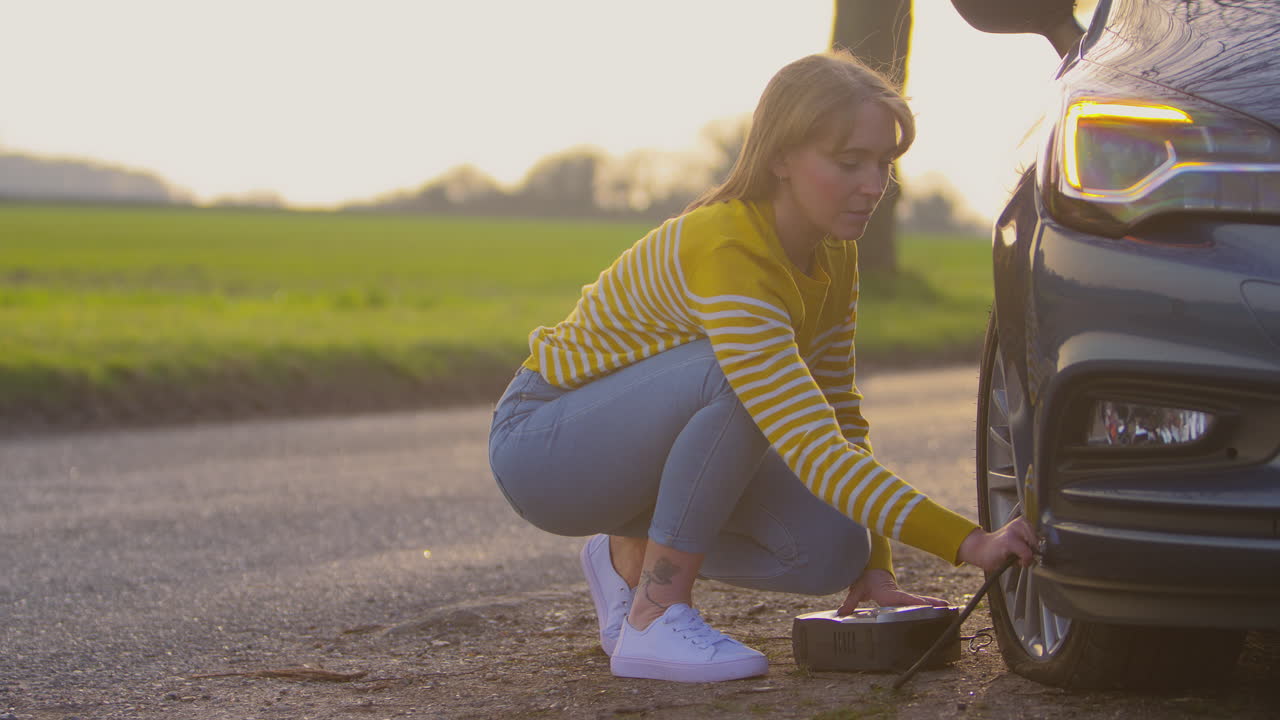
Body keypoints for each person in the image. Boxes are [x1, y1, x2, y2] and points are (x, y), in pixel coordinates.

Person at [487, 49, 1036, 684]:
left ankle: (626, 561)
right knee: (737, 380)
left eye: (884, 163)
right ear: (780, 157)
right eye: (849, 162)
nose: (874, 184)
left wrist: (876, 567)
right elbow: (806, 440)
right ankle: (654, 616)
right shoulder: (728, 247)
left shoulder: (834, 257)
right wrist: (973, 543)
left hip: (627, 460)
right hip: (542, 448)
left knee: (833, 549)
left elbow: (837, 418)